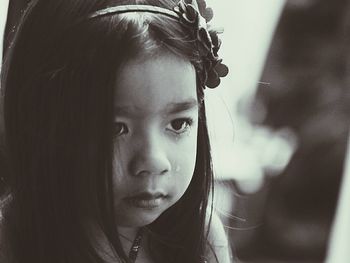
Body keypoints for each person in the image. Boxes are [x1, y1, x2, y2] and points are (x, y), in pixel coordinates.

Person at [0, 0, 230, 262]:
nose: (154, 161)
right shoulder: (12, 243)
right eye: (116, 128)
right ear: (43, 125)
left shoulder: (201, 237)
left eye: (178, 124)